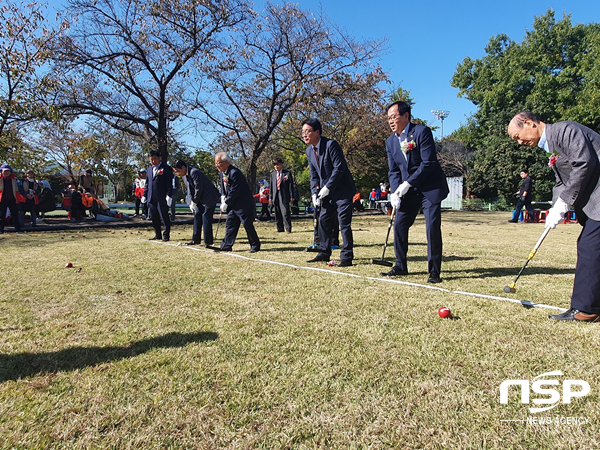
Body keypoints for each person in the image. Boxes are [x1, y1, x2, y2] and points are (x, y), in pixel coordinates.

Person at [508, 111, 600, 322]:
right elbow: (562, 182)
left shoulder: (565, 130)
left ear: (529, 123)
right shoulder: (552, 145)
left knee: (590, 247)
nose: (519, 142)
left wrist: (565, 201)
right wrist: (556, 206)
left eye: (517, 136)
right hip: (592, 202)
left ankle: (586, 309)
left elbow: (584, 163)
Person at [383, 101, 449, 283]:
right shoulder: (390, 142)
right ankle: (400, 265)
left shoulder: (422, 132)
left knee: (431, 227)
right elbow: (394, 171)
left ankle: (434, 271)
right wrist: (395, 192)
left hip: (429, 187)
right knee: (399, 225)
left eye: (394, 117)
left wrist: (408, 183)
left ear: (405, 116)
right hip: (408, 192)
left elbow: (428, 163)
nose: (390, 121)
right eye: (388, 118)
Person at [302, 118, 356, 267]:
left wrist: (328, 187)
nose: (304, 135)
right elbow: (313, 175)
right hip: (326, 194)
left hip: (342, 191)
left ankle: (347, 256)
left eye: (307, 132)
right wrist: (314, 193)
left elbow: (340, 168)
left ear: (317, 132)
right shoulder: (309, 151)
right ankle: (324, 252)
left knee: (344, 224)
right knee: (323, 221)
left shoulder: (331, 145)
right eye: (302, 132)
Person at [214, 152, 261, 253]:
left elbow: (235, 190)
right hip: (233, 204)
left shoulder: (234, 172)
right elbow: (224, 188)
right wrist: (222, 197)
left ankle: (255, 245)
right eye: (216, 163)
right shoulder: (222, 172)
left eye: (219, 163)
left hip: (243, 204)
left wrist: (226, 202)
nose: (217, 165)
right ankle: (226, 245)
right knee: (230, 224)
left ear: (226, 162)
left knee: (247, 224)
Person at [173, 160, 220, 247]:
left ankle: (208, 241)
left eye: (178, 171)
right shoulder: (185, 175)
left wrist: (194, 201)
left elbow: (198, 188)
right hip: (200, 198)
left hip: (209, 197)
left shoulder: (194, 173)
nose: (177, 173)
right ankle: (195, 239)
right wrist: (191, 201)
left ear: (183, 167)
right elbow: (191, 189)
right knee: (198, 216)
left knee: (206, 217)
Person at [143, 151, 173, 241]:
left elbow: (169, 183)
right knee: (154, 217)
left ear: (159, 158)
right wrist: (145, 195)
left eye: (155, 159)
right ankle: (157, 234)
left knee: (164, 216)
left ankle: (166, 235)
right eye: (151, 159)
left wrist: (169, 195)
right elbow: (147, 184)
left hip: (161, 197)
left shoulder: (166, 168)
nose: (153, 161)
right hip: (151, 197)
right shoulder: (149, 170)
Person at [269, 157, 294, 233]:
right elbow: (271, 186)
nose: (276, 166)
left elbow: (290, 186)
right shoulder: (272, 174)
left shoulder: (287, 173)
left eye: (278, 164)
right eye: (275, 165)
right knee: (277, 212)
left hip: (284, 195)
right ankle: (280, 228)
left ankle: (288, 228)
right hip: (275, 195)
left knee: (285, 212)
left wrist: (291, 196)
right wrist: (270, 197)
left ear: (281, 165)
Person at [0, 164, 25, 234]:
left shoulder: (14, 179)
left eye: (8, 171)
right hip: (2, 200)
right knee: (2, 215)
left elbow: (19, 188)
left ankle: (18, 229)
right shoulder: (0, 179)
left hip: (12, 199)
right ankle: (1, 229)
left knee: (15, 214)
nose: (6, 172)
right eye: (5, 171)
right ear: (1, 171)